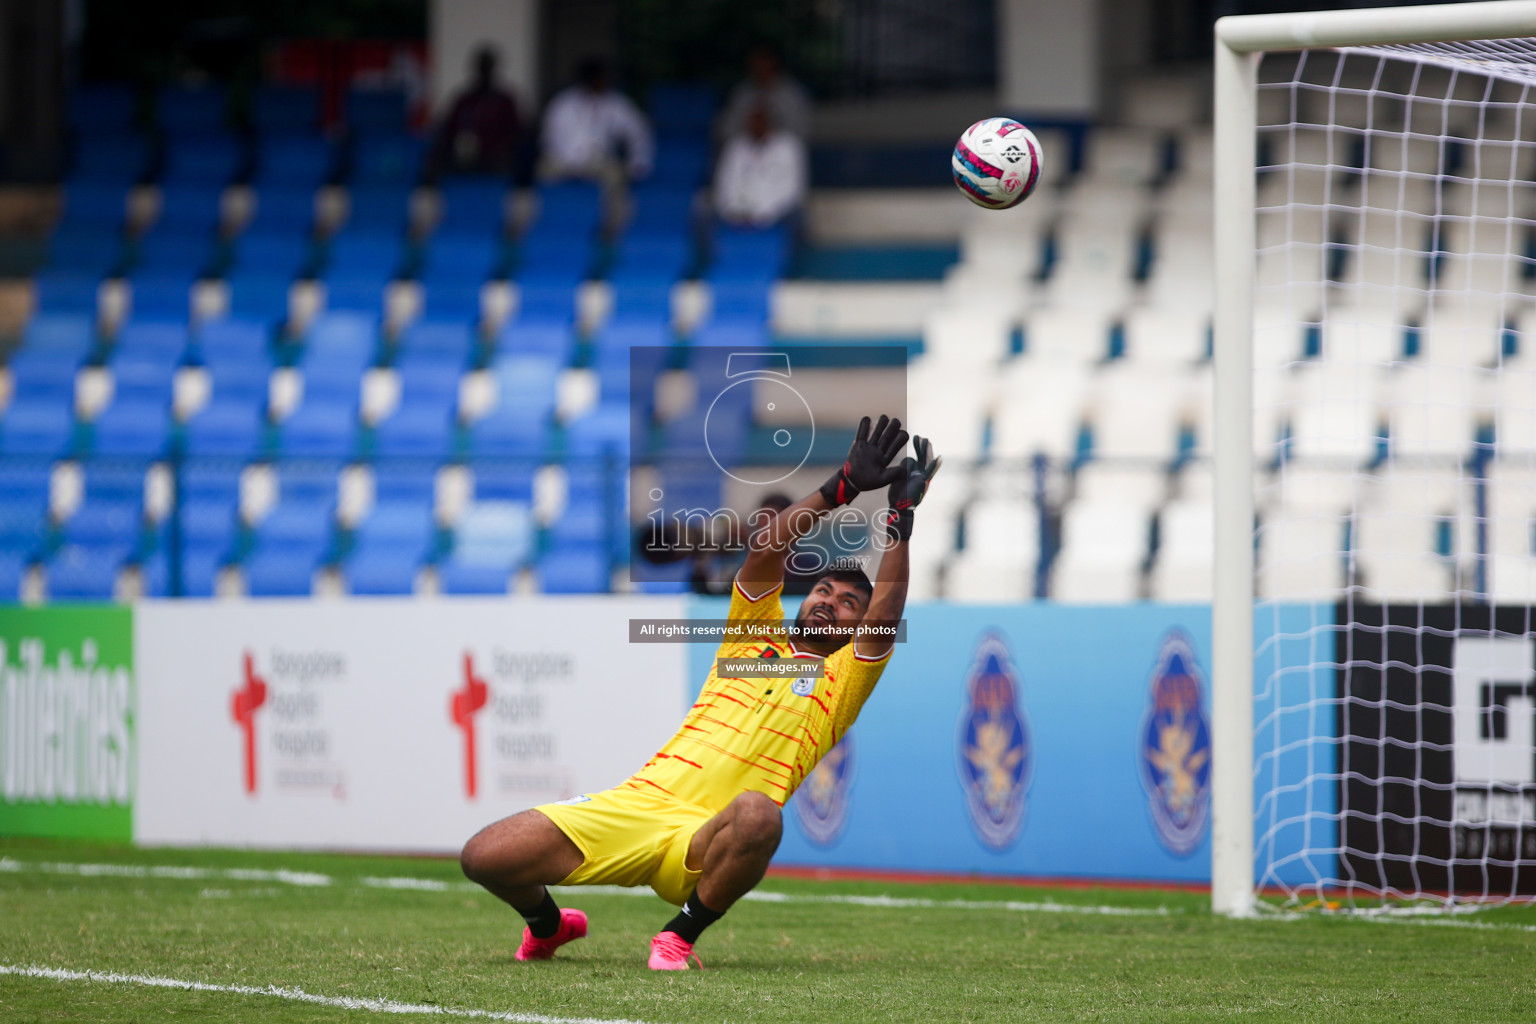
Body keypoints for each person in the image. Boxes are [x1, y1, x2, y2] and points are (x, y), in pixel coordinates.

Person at [460, 418, 942, 970]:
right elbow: (765, 550)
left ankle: (677, 937)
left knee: (762, 816)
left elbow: (887, 609)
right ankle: (549, 926)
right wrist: (842, 488)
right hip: (637, 805)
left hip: (707, 836)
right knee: (485, 856)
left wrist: (900, 520)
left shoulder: (844, 681)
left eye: (847, 603)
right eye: (823, 590)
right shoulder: (754, 634)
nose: (829, 600)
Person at [539, 57, 654, 185]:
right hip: (562, 161)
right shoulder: (563, 103)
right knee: (535, 174)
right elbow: (548, 137)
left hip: (598, 162)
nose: (603, 81)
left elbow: (638, 132)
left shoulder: (616, 103)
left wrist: (637, 163)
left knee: (617, 176)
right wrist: (568, 161)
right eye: (599, 77)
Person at [430, 45, 524, 178]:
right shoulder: (464, 101)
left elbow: (516, 134)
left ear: (493, 69)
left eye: (487, 67)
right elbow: (448, 131)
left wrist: (500, 150)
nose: (484, 71)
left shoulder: (504, 101)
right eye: (481, 67)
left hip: (497, 164)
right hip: (464, 162)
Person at [713, 105, 808, 227]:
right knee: (704, 207)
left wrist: (766, 211)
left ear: (770, 123)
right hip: (739, 215)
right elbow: (725, 184)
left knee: (797, 215)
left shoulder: (789, 146)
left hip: (778, 215)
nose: (756, 125)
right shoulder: (736, 146)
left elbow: (794, 190)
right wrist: (736, 210)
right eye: (752, 122)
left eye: (760, 121)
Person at [717, 46, 813, 142]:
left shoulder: (792, 94)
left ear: (774, 64)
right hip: (748, 149)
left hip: (780, 149)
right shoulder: (742, 93)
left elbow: (802, 132)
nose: (761, 68)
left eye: (764, 63)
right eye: (756, 64)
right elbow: (725, 131)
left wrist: (771, 131)